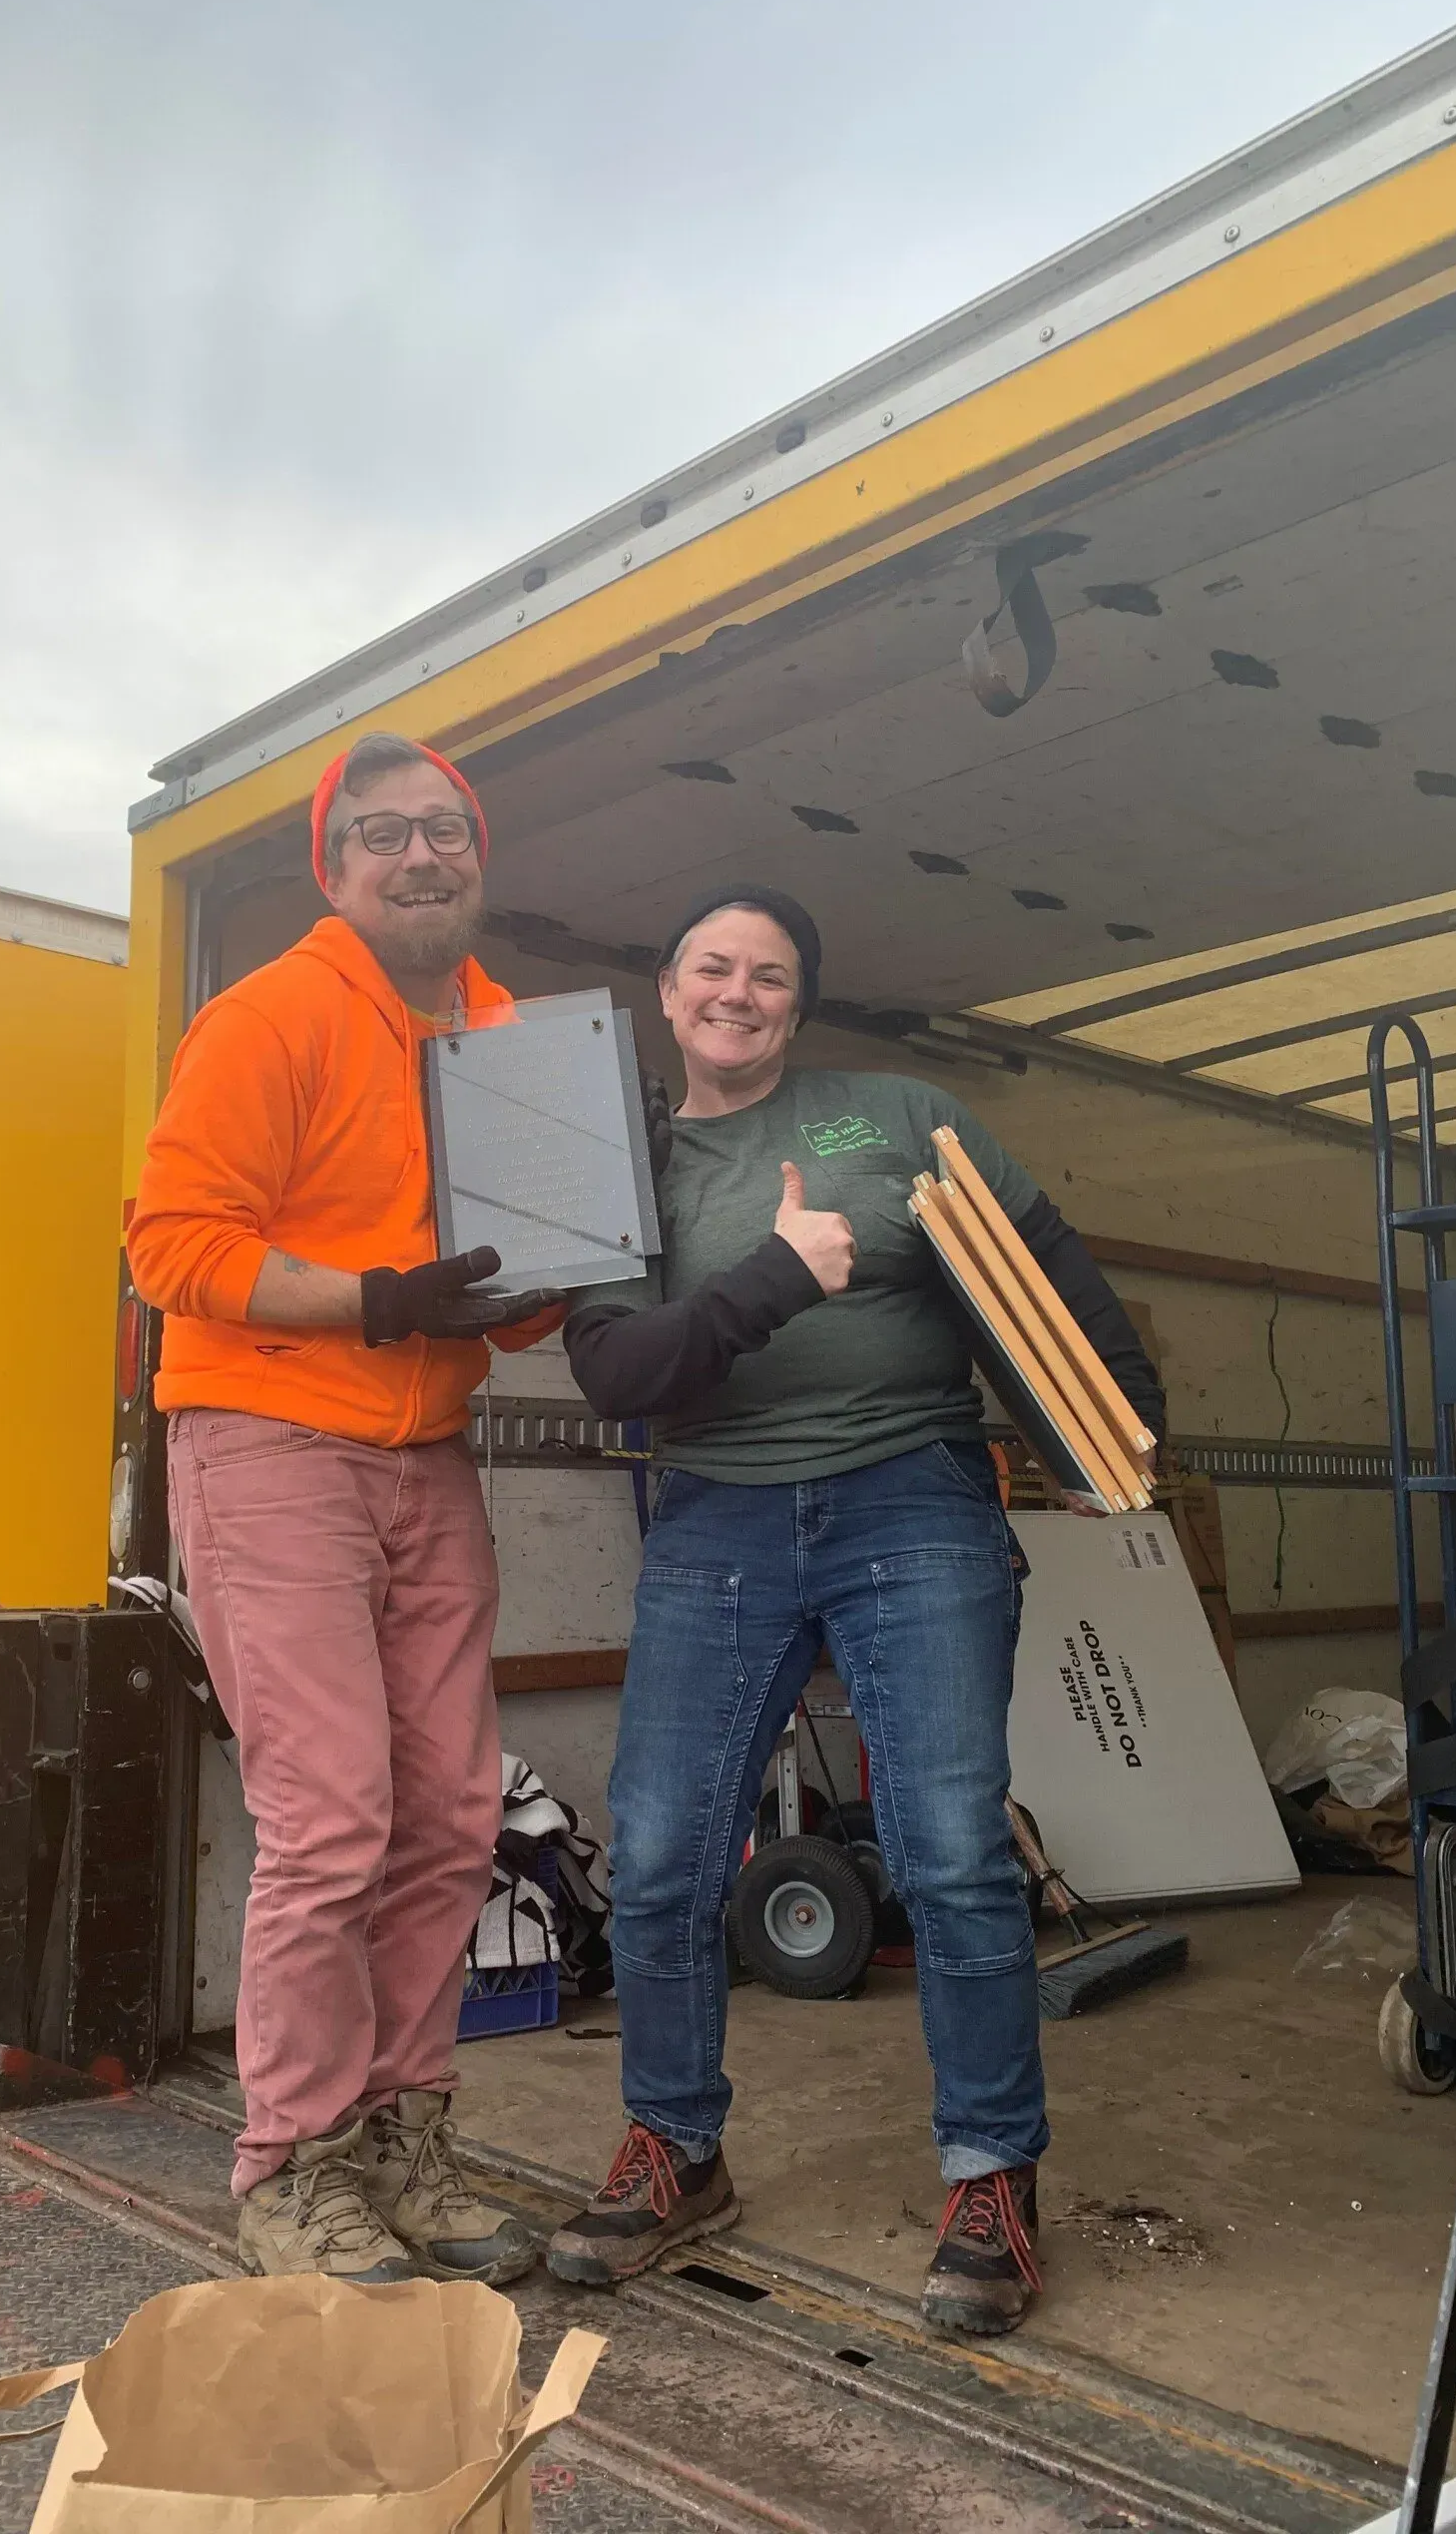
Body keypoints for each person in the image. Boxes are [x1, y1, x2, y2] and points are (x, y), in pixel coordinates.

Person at [543, 883, 1164, 2335]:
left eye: (770, 974)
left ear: (797, 1004)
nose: (739, 991)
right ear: (667, 987)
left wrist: (1115, 1428)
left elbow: (1045, 1265)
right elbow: (623, 1378)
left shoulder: (891, 1116)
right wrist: (775, 1274)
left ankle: (994, 2180)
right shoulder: (622, 1169)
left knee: (950, 1849)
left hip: (912, 1493)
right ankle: (674, 2152)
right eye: (713, 966)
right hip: (719, 1519)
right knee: (658, 1854)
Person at [127, 731, 559, 2287]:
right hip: (268, 1446)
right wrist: (373, 1299)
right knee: (330, 1827)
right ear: (334, 867)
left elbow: (511, 1309)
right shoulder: (273, 1017)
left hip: (429, 1455)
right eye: (385, 835)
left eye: (447, 827)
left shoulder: (512, 1043)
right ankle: (289, 2170)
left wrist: (558, 1276)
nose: (422, 855)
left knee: (453, 1814)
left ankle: (399, 2144)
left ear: (477, 852)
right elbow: (170, 1247)